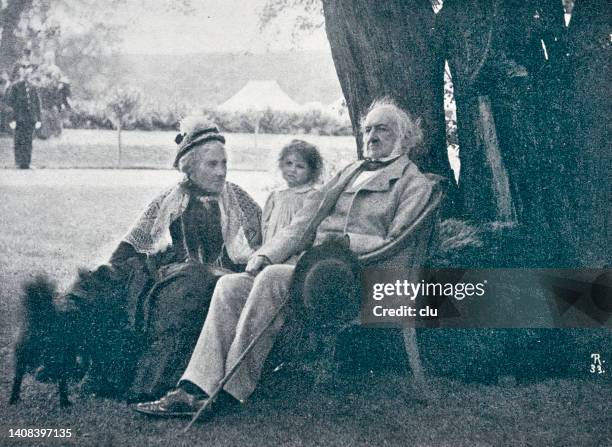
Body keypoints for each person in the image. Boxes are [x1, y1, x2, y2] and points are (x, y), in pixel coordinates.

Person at [135, 98, 445, 417]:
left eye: (382, 128)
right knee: (231, 284)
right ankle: (194, 388)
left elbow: (397, 244)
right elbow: (302, 225)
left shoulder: (414, 185)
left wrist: (346, 241)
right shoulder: (352, 171)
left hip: (364, 280)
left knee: (272, 280)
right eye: (367, 128)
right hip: (316, 271)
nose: (372, 136)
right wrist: (266, 255)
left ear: (404, 136)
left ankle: (229, 391)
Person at [66, 116, 263, 401]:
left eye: (224, 164)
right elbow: (135, 242)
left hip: (220, 281)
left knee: (193, 286)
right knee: (109, 281)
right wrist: (112, 272)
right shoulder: (169, 200)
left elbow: (261, 247)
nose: (221, 172)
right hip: (170, 274)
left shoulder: (240, 200)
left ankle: (158, 382)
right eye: (212, 164)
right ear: (190, 168)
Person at [262, 139, 323, 243]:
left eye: (300, 166)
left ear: (312, 171)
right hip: (270, 248)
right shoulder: (275, 195)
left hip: (294, 249)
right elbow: (265, 225)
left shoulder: (312, 196)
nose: (292, 169)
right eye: (288, 163)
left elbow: (304, 228)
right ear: (281, 165)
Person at [6, 63, 41, 169]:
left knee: (28, 141)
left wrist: (38, 119)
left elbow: (37, 104)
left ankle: (27, 163)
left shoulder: (33, 87)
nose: (27, 76)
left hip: (30, 119)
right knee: (18, 140)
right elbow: (10, 104)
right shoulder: (15, 87)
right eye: (25, 73)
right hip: (19, 118)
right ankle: (18, 162)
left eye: (29, 74)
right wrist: (12, 119)